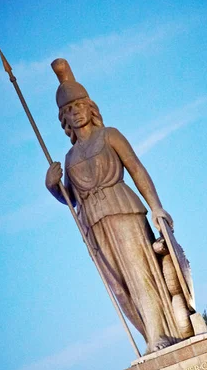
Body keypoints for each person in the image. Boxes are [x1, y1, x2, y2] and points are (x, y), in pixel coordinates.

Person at [46, 59, 191, 353]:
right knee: (120, 287)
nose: (74, 113)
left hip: (123, 210)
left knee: (139, 274)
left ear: (90, 107)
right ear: (64, 120)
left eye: (78, 106)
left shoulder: (109, 134)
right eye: (67, 111)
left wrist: (157, 207)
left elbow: (137, 168)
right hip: (94, 223)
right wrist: (54, 188)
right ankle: (150, 335)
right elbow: (73, 199)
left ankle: (159, 336)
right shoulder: (70, 156)